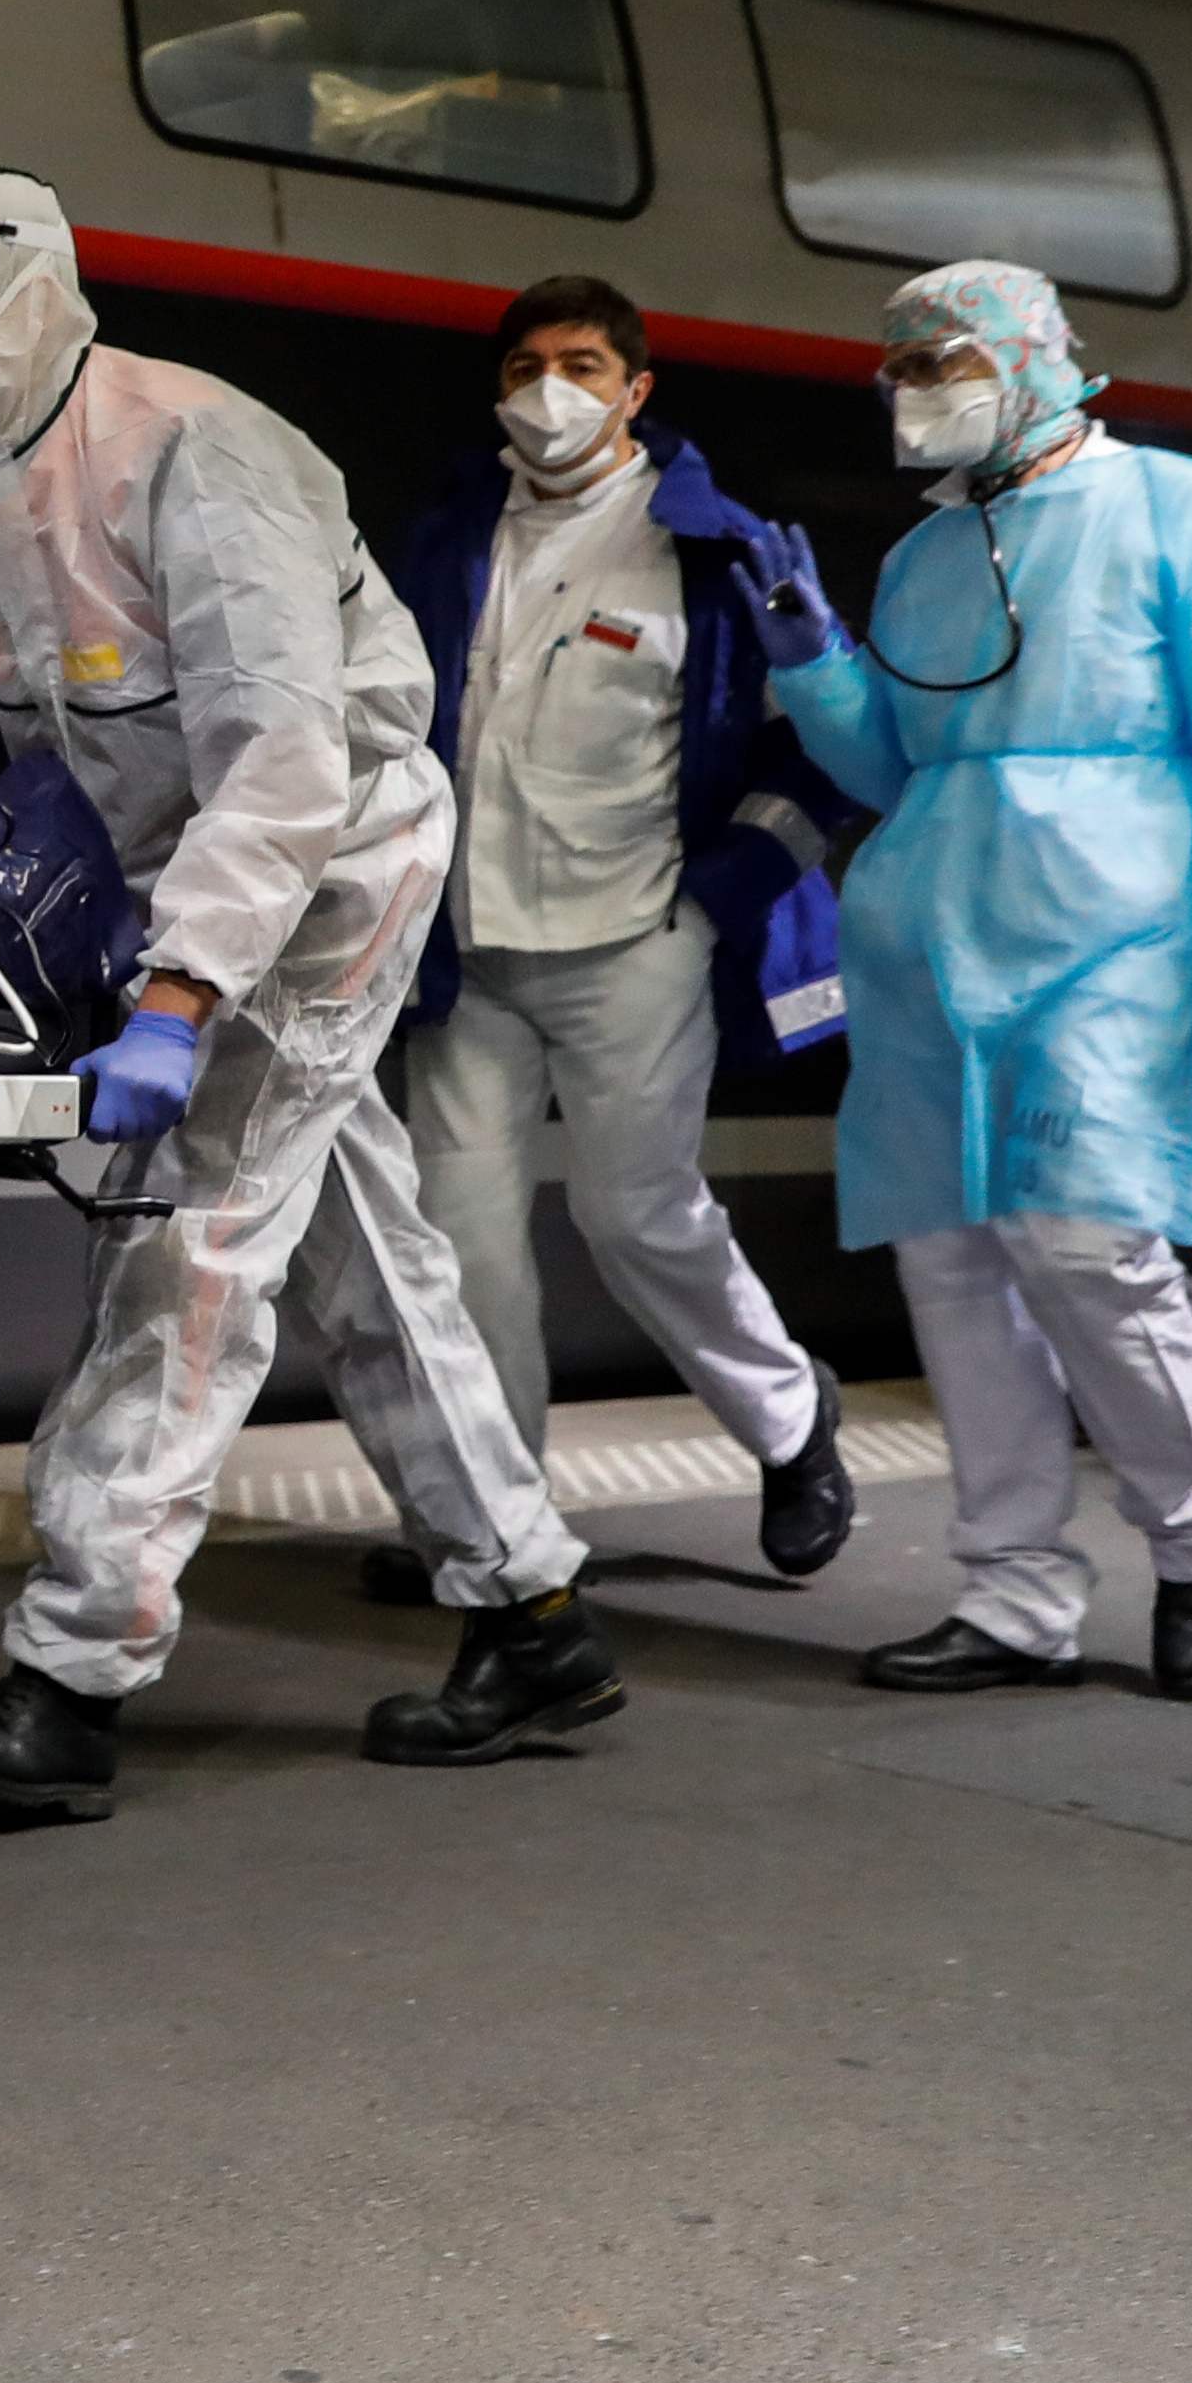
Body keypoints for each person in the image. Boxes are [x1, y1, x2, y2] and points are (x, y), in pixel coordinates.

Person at [0, 168, 613, 1820]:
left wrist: (179, 995)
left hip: (326, 854)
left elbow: (283, 751)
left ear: (19, 293)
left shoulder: (192, 444)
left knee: (184, 1242)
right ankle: (532, 1609)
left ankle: (72, 1672)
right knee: (359, 1246)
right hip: (165, 883)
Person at [740, 260, 1192, 1699]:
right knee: (952, 1256)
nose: (915, 392)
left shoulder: (1176, 508)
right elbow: (898, 762)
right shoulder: (929, 556)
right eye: (901, 369)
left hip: (1121, 932)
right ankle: (1016, 1591)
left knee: (1087, 1244)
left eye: (944, 361)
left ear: (1035, 358)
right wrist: (819, 668)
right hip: (934, 941)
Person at [381, 273, 855, 1592]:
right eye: (528, 363)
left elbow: (827, 749)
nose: (552, 388)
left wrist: (724, 894)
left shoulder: (719, 546)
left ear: (636, 389)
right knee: (461, 1244)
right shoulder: (446, 536)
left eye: (584, 363)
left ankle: (790, 1418)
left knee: (636, 1213)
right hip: (463, 950)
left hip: (637, 940)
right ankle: (502, 1533)